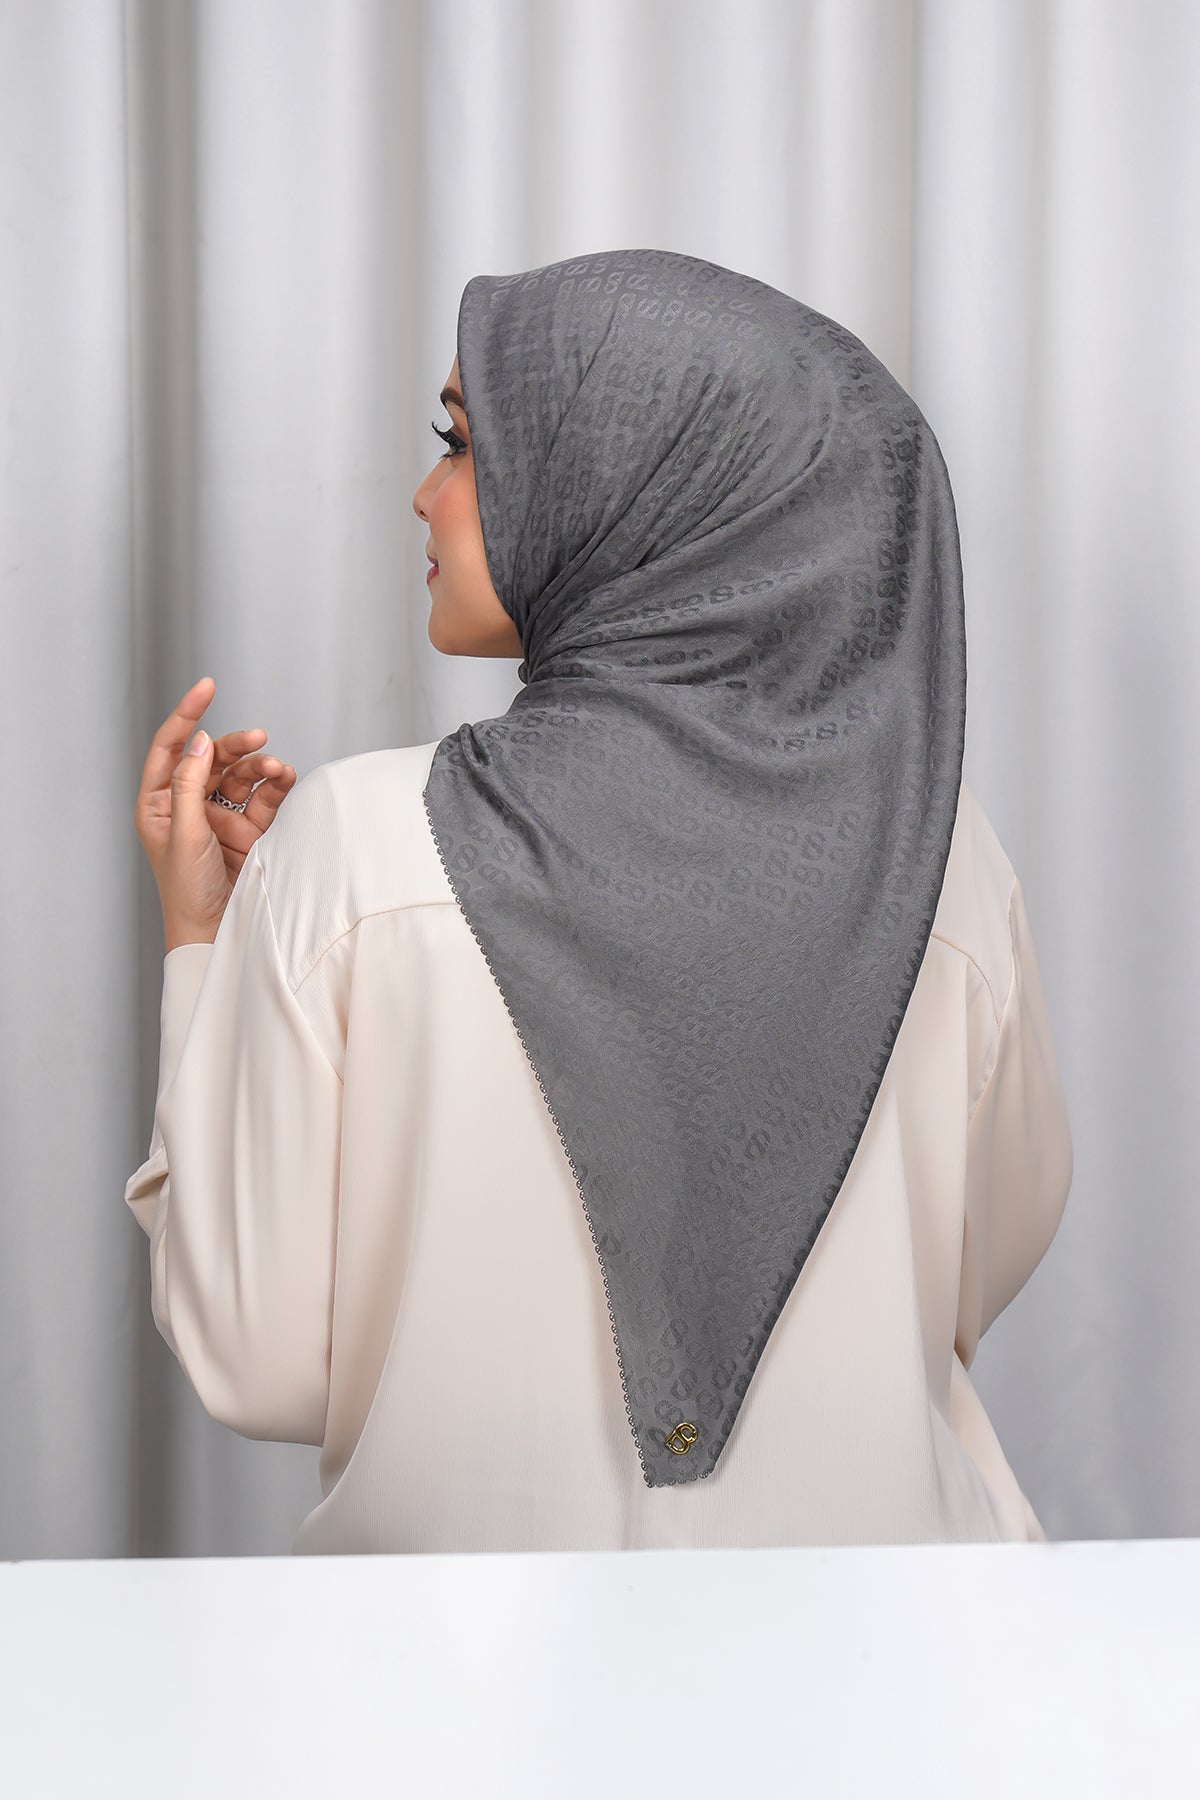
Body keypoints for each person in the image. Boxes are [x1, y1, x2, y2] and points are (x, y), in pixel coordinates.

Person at [127, 249, 1073, 1553]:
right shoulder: (940, 857)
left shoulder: (355, 848)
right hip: (898, 1648)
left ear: (643, 483)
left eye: (462, 445)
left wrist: (203, 940)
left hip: (459, 1665)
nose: (423, 494)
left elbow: (257, 1354)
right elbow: (980, 1254)